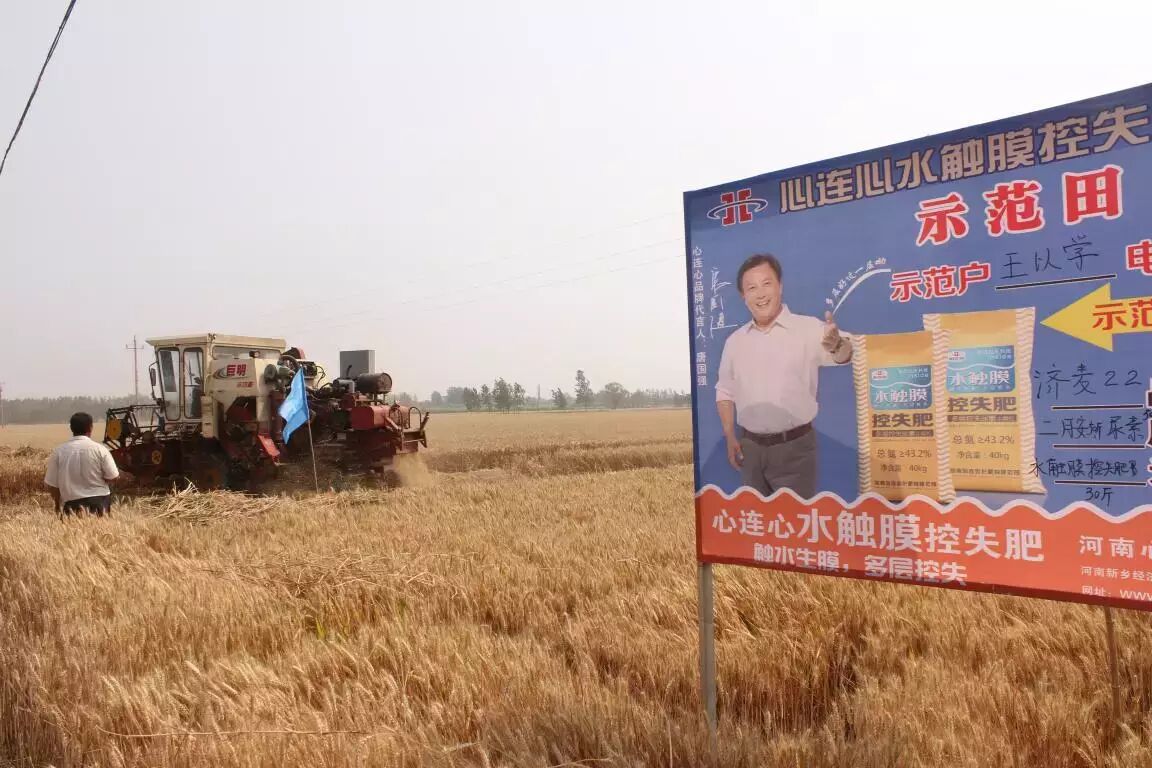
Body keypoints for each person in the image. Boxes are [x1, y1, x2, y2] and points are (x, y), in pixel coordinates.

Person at [715, 253, 852, 498]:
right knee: (756, 519)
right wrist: (729, 435)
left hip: (794, 450)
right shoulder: (735, 342)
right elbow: (725, 390)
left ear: (780, 286)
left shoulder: (808, 328)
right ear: (743, 296)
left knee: (793, 520)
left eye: (766, 284)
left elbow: (844, 354)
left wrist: (837, 345)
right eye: (751, 288)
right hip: (750, 449)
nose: (760, 294)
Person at [44, 412, 133, 517]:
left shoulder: (58, 452)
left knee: (72, 528)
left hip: (71, 504)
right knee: (99, 527)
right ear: (90, 428)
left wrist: (57, 504)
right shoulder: (100, 449)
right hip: (99, 503)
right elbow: (113, 477)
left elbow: (52, 485)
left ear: (71, 428)